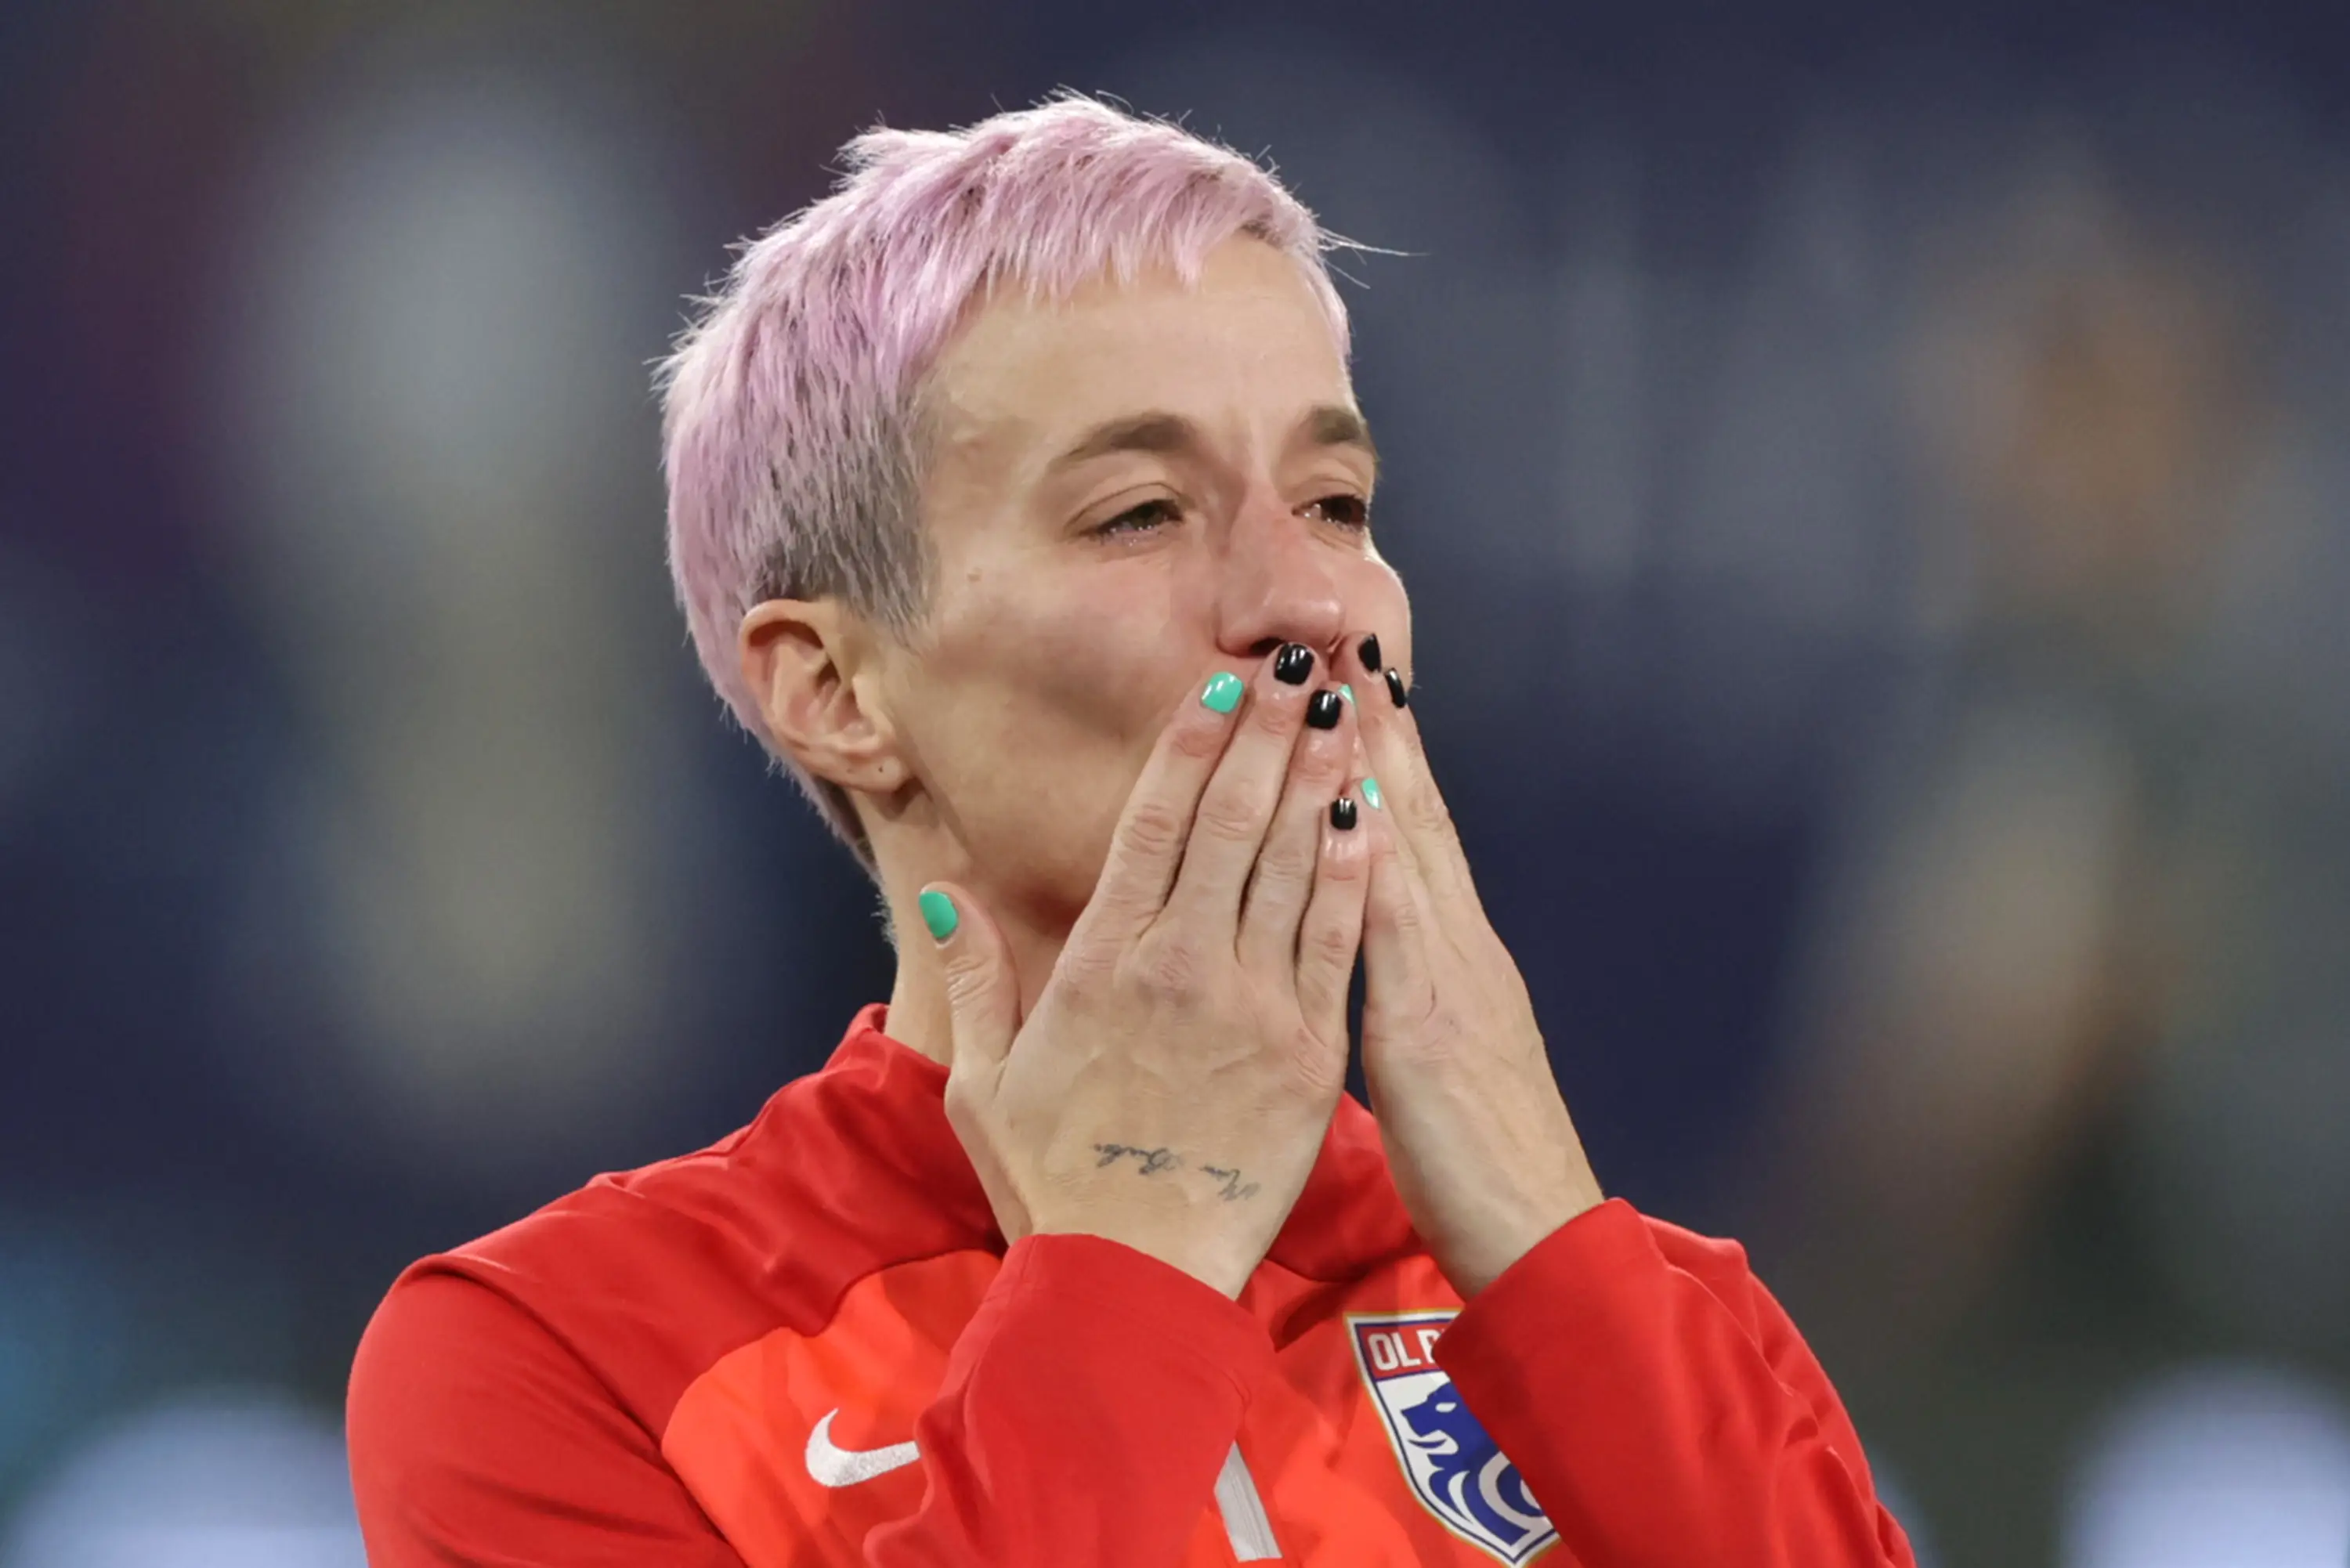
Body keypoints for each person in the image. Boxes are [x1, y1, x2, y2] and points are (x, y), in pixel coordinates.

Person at [345, 94, 1918, 1568]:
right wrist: (1125, 1277)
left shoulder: (1635, 1303)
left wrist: (1549, 1243)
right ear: (833, 687)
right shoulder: (567, 1352)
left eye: (1337, 503)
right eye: (1142, 513)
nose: (1309, 600)